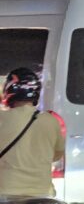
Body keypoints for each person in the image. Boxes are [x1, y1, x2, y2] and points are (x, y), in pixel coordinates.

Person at [0, 68, 65, 198]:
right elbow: (57, 155)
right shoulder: (52, 120)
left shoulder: (2, 119)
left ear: (9, 90)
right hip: (42, 193)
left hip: (6, 193)